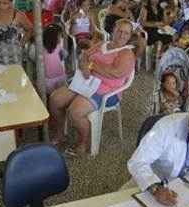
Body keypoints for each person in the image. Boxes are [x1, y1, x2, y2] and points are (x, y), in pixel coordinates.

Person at [48, 19, 136, 156]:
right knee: (55, 99)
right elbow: (84, 56)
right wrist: (84, 65)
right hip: (86, 81)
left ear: (130, 36)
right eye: (119, 30)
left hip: (106, 91)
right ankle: (60, 133)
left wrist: (92, 66)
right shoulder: (103, 44)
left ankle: (83, 142)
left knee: (75, 111)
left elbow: (116, 72)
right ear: (113, 30)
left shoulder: (127, 54)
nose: (121, 35)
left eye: (126, 33)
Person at [43, 24, 67, 94]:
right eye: (59, 36)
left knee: (61, 95)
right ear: (53, 37)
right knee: (51, 96)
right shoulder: (41, 48)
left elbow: (64, 55)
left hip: (59, 76)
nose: (60, 38)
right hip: (49, 79)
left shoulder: (58, 46)